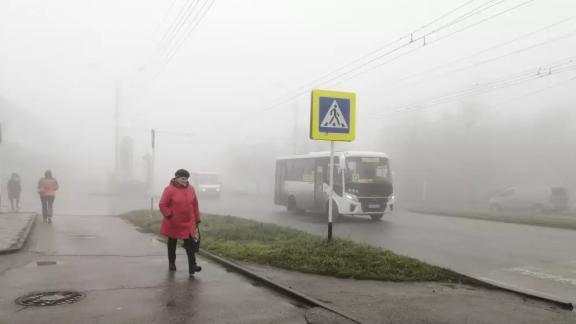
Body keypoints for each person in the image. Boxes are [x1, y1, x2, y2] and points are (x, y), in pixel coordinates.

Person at [159, 169, 202, 277]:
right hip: (174, 222)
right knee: (172, 243)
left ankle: (193, 266)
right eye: (183, 179)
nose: (185, 181)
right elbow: (162, 204)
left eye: (186, 179)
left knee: (190, 245)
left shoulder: (191, 189)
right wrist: (169, 215)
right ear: (177, 178)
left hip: (188, 222)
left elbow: (195, 205)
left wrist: (197, 218)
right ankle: (172, 263)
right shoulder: (169, 190)